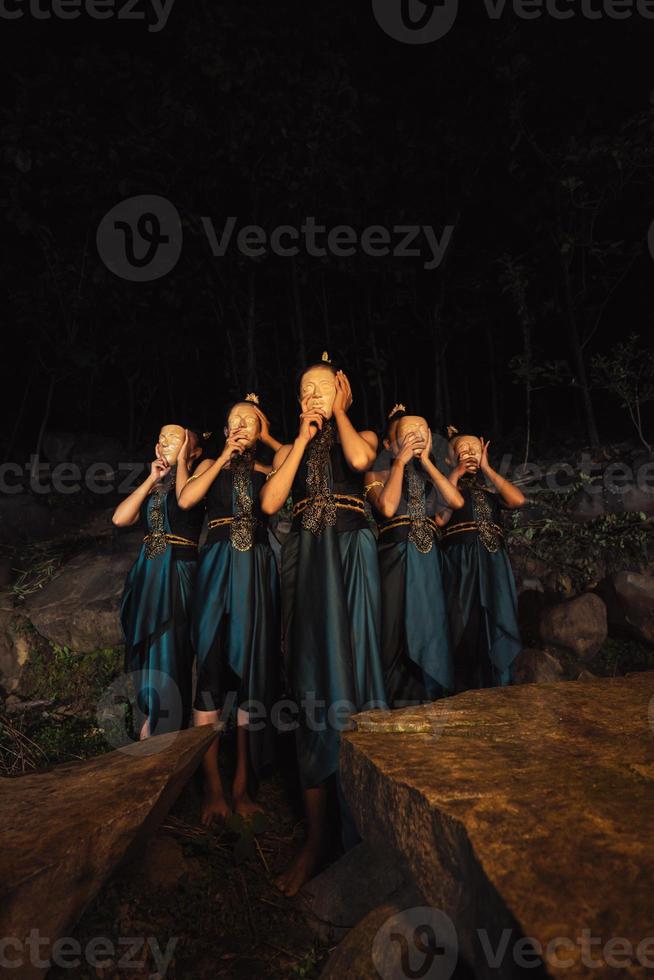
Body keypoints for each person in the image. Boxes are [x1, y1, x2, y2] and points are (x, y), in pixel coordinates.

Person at [260, 352, 386, 897]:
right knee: (312, 676)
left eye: (325, 388)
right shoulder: (289, 448)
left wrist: (338, 414)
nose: (315, 396)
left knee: (357, 669)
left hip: (352, 553)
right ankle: (315, 840)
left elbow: (360, 460)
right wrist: (300, 438)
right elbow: (270, 501)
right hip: (308, 557)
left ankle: (369, 832)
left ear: (342, 392)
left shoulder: (364, 432)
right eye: (307, 391)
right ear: (297, 401)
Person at [178, 395, 280, 825]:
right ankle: (212, 789)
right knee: (213, 669)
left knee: (251, 672)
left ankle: (241, 784)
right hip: (218, 566)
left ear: (260, 431)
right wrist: (222, 458)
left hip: (255, 569)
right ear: (223, 431)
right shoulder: (208, 466)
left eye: (250, 421)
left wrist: (270, 434)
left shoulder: (269, 470)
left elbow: (289, 460)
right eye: (233, 420)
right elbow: (186, 502)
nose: (240, 425)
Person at [113, 423, 208, 739]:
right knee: (147, 649)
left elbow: (183, 502)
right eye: (161, 437)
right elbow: (120, 518)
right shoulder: (154, 484)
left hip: (178, 570)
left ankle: (167, 734)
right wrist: (152, 478)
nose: (164, 441)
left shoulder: (195, 480)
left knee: (172, 647)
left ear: (191, 448)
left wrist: (181, 463)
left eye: (174, 437)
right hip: (148, 573)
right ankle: (147, 729)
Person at [365, 412, 464, 707]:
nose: (416, 436)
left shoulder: (430, 476)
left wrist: (427, 463)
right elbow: (388, 507)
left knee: (432, 625)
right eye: (408, 432)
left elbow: (456, 503)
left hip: (429, 559)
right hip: (393, 556)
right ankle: (392, 703)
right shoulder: (376, 473)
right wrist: (399, 462)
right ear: (390, 442)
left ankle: (430, 699)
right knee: (394, 628)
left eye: (423, 430)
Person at [438, 428, 526, 690]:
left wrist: (487, 468)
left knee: (498, 613)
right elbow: (440, 518)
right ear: (449, 458)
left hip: (493, 560)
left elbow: (518, 499)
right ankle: (464, 687)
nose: (469, 454)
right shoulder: (444, 484)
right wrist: (454, 474)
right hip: (461, 560)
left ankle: (500, 683)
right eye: (462, 450)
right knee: (464, 620)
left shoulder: (490, 490)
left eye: (474, 449)